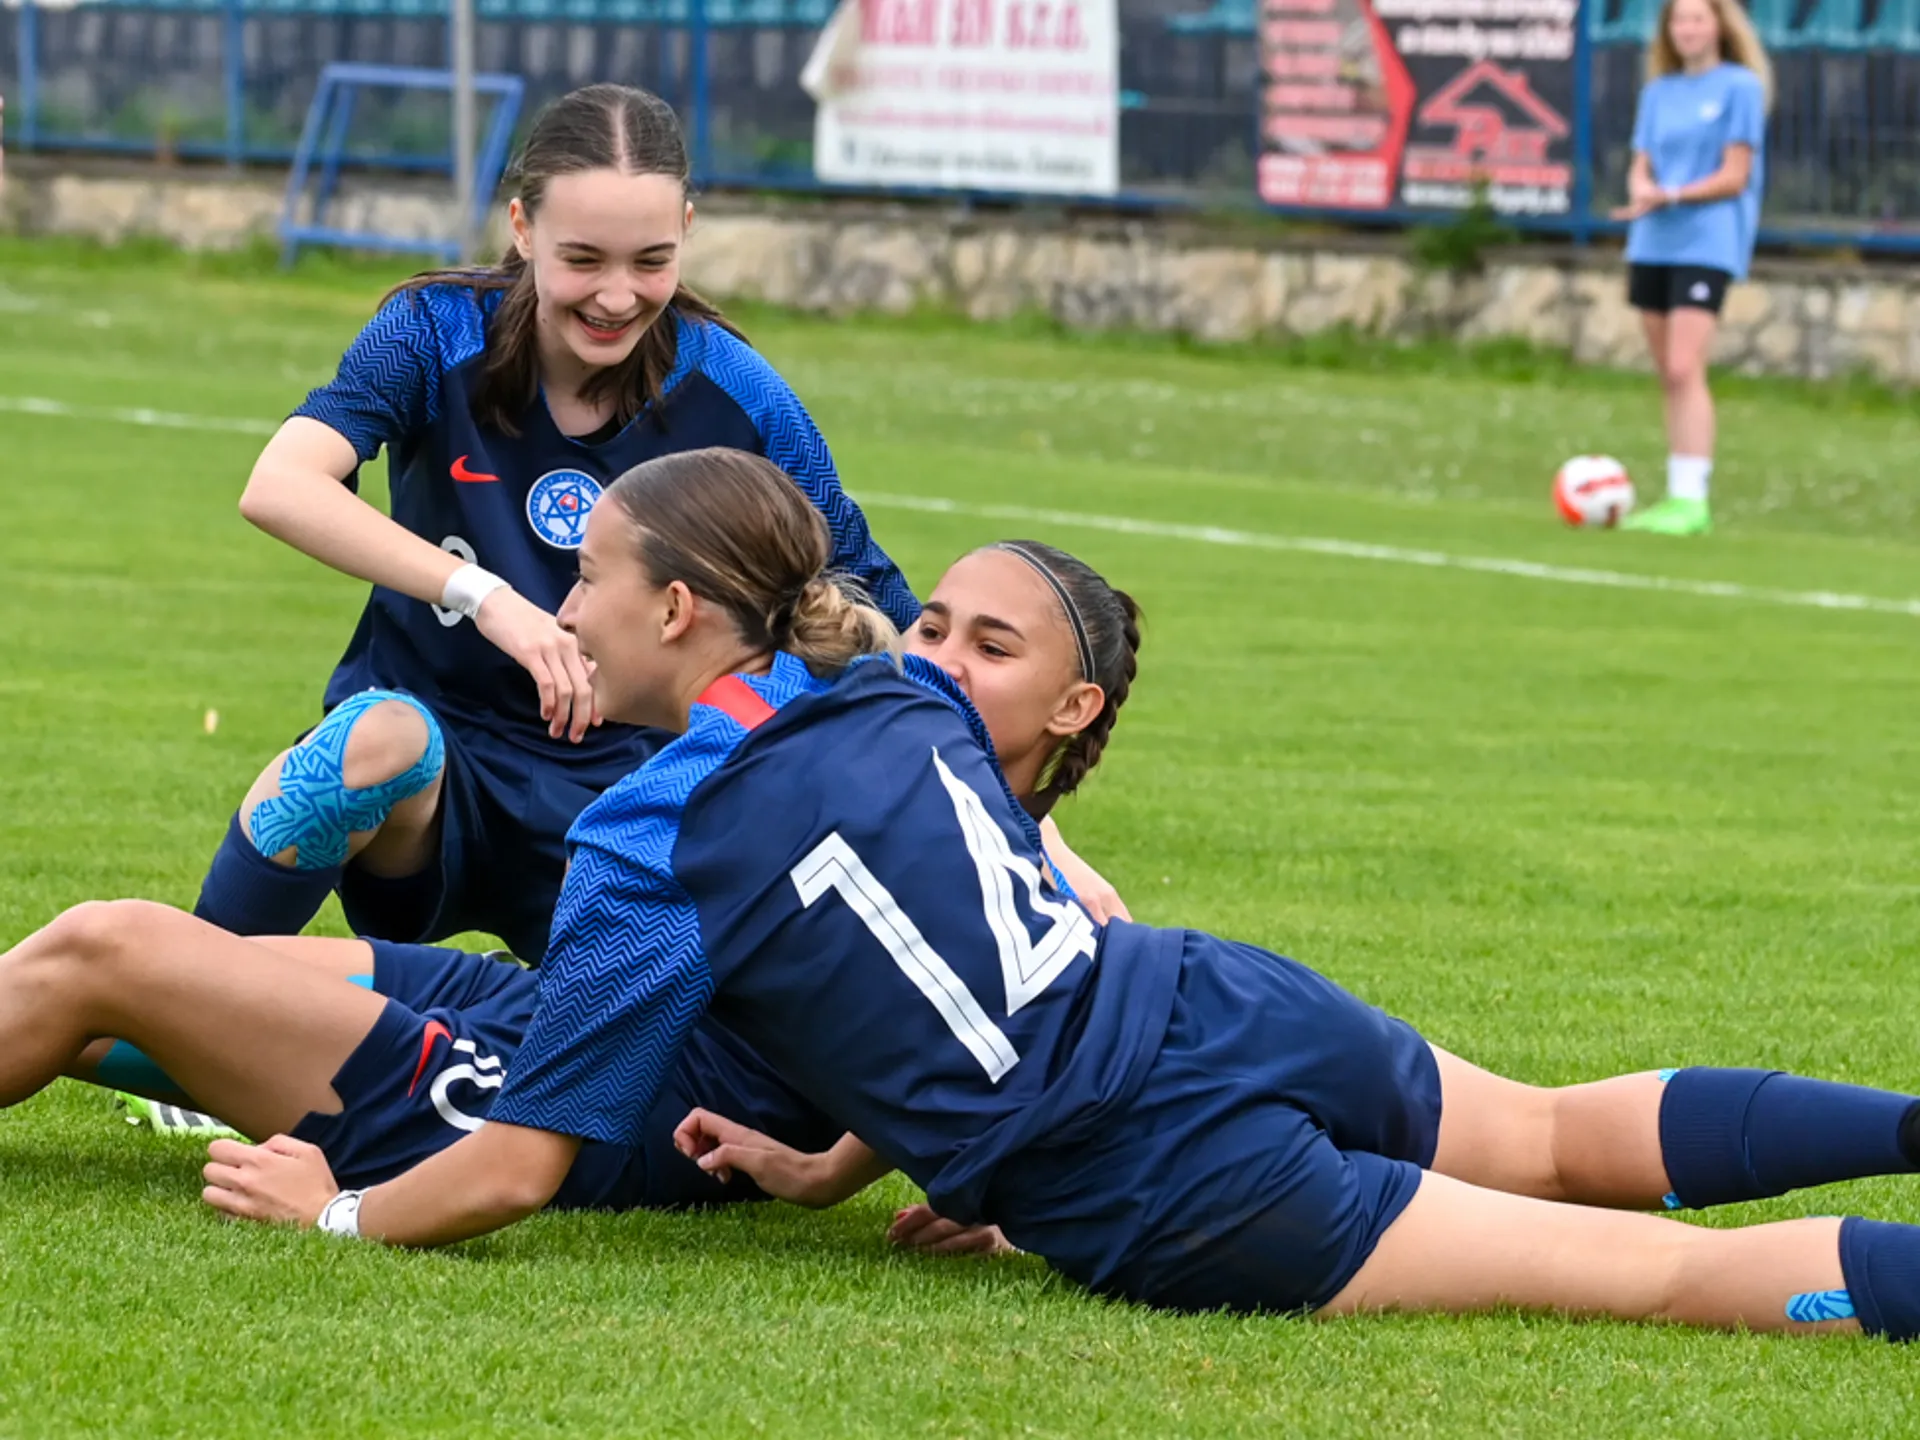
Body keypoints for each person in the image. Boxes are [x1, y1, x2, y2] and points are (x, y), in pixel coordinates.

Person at [21, 447, 1920, 1341]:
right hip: (1214, 1000)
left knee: (1656, 1283)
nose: (560, 600)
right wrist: (841, 1162)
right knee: (1572, 1140)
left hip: (1157, 1175)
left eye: (586, 576)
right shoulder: (897, 692)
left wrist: (343, 1215)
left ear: (672, 609)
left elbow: (519, 1166)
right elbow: (914, 962)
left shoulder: (657, 835)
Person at [2, 499, 1139, 1247]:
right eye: (932, 629)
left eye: (991, 650)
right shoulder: (853, 733)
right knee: (138, 976)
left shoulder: (1057, 904)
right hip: (553, 1009)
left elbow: (1022, 1056)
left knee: (111, 950)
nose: (940, 663)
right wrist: (828, 1170)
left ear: (1073, 706)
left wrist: (338, 1213)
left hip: (601, 1105)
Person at [191, 83, 918, 967]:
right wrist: (486, 596)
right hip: (438, 760)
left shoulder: (738, 390)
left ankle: (531, 990)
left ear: (687, 230)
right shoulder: (432, 332)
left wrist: (1015, 812)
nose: (616, 295)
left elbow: (874, 599)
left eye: (651, 261)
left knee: (643, 1031)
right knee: (361, 744)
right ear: (523, 228)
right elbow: (280, 485)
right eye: (583, 259)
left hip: (637, 794)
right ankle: (176, 989)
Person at [1609, 0, 1772, 538]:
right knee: (1667, 372)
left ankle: (1691, 499)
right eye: (1679, 20)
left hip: (1707, 241)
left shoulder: (1740, 88)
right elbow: (1642, 164)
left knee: (1685, 366)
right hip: (1653, 241)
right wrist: (1642, 190)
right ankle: (1677, 493)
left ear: (1719, 26)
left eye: (1698, 19)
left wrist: (1672, 194)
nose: (1688, 29)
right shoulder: (1659, 92)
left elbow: (1735, 175)